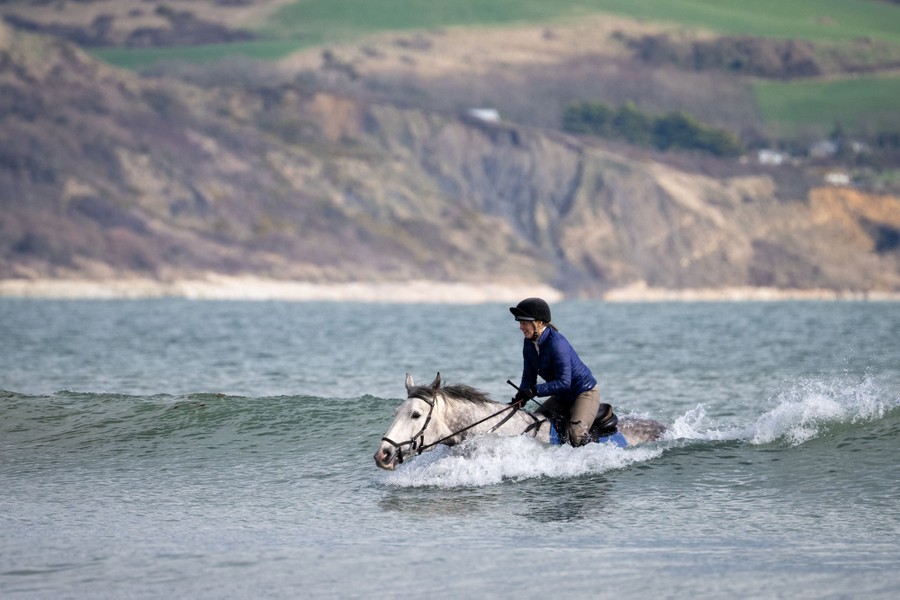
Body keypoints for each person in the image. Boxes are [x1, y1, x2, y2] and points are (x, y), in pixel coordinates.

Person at [508, 297, 601, 447]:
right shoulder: (529, 343)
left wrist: (534, 390)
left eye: (524, 323)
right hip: (562, 396)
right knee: (532, 423)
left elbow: (564, 382)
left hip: (583, 393)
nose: (521, 327)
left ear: (539, 323)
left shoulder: (557, 344)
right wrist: (520, 397)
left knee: (576, 436)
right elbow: (528, 376)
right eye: (520, 322)